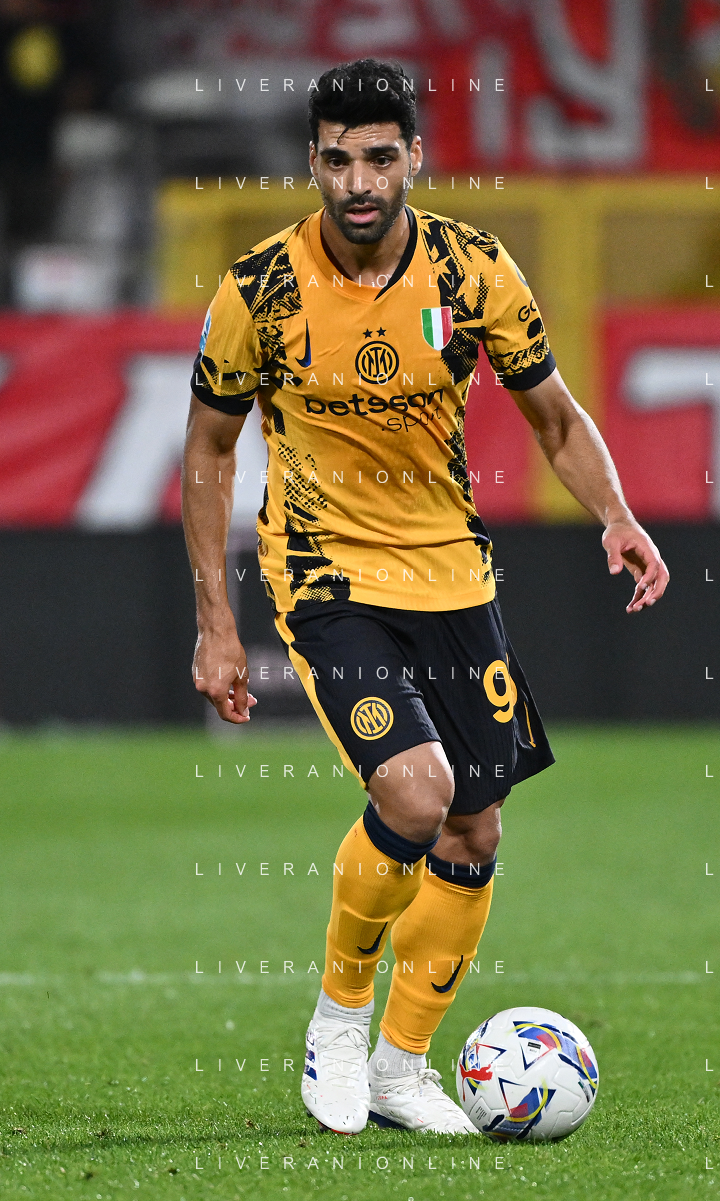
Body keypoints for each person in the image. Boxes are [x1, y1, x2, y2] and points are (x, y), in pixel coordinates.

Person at [181, 57, 669, 1137]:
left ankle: (402, 1068)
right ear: (312, 161)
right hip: (326, 576)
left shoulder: (472, 270)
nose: (358, 182)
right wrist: (216, 622)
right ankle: (339, 1020)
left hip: (452, 574)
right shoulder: (257, 290)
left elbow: (554, 415)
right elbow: (209, 450)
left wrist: (616, 514)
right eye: (337, 159)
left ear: (414, 156)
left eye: (378, 158)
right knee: (414, 793)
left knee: (473, 828)